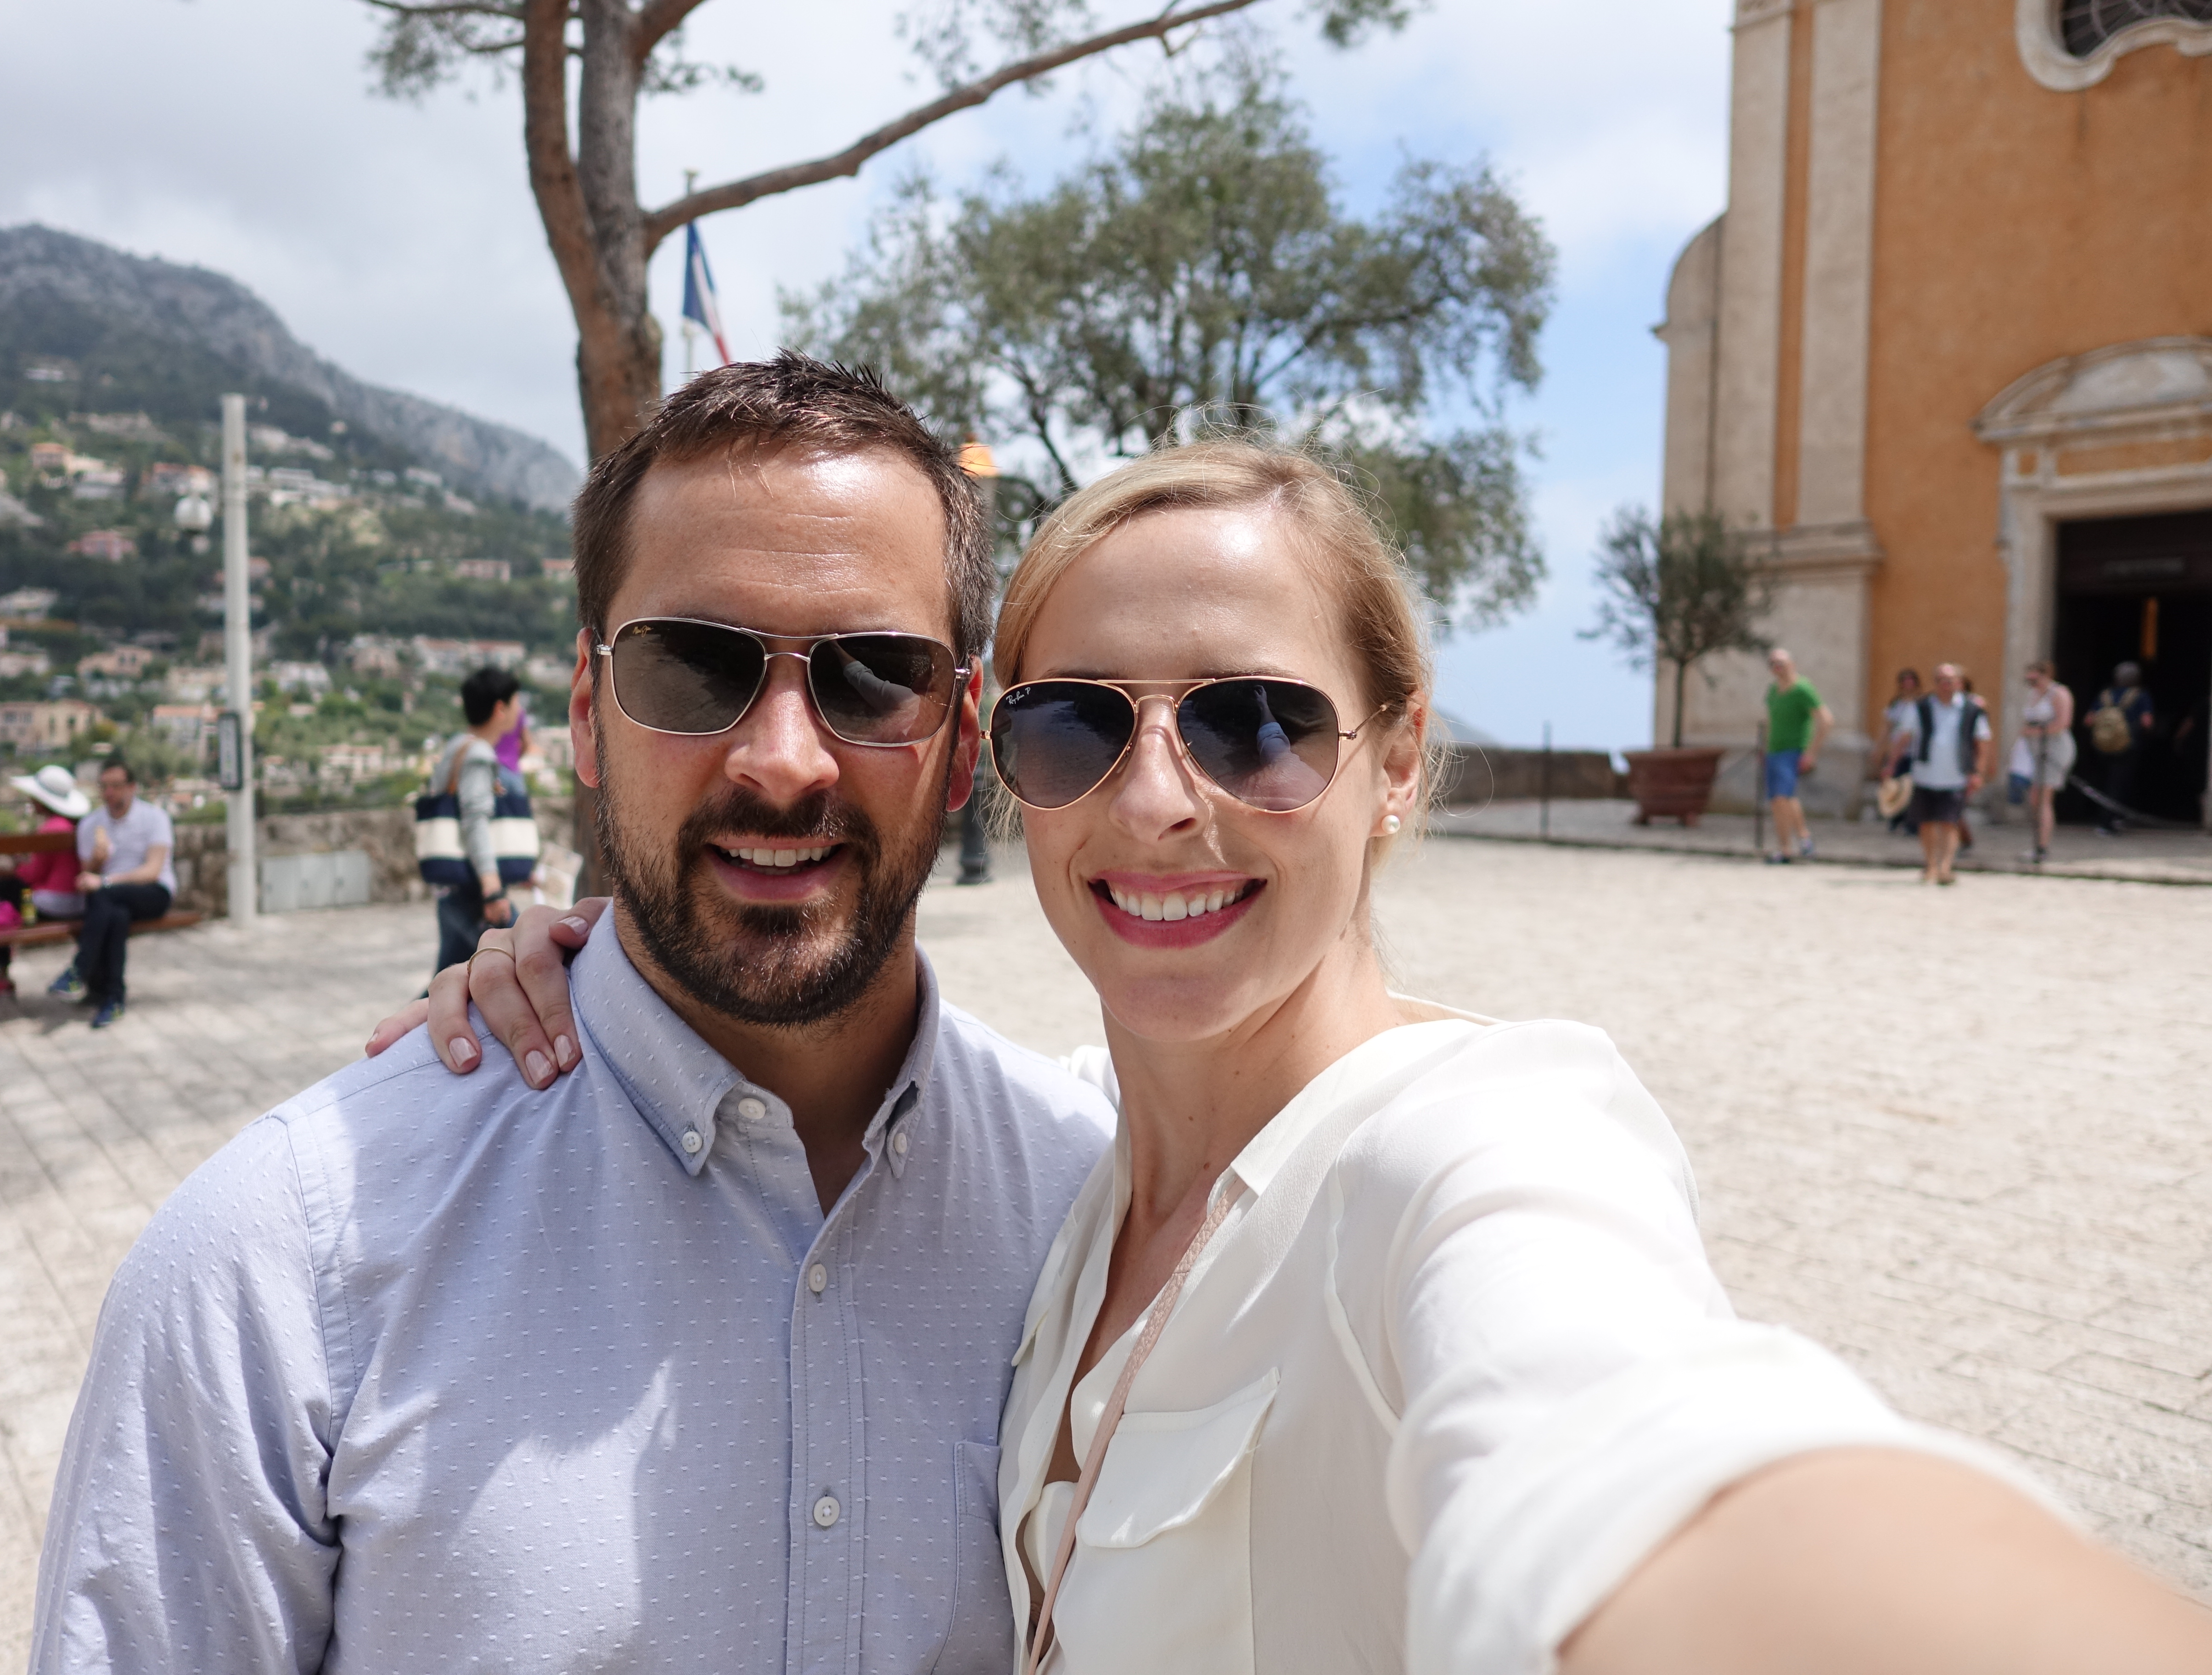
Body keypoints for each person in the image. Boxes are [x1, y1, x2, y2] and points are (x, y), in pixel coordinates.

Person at [431, 438, 2212, 1674]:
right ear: (1006, 765)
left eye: (1256, 721)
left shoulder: (1474, 1150)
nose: (1156, 801)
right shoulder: (1069, 1168)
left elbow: (1628, 1448)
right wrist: (601, 973)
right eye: (1076, 726)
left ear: (1401, 757)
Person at [29, 357, 1114, 1672]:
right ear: (587, 716)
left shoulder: (1094, 1206)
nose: (781, 759)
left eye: (872, 676)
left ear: (959, 736)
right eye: (696, 668)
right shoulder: (279, 1268)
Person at [50, 759, 172, 1030]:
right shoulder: (92, 825)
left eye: (116, 787)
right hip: (111, 899)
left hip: (152, 893)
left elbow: (153, 871)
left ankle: (79, 971)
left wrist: (106, 880)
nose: (109, 793)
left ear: (132, 788)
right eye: (104, 787)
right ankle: (113, 999)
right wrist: (96, 860)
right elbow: (86, 875)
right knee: (115, 914)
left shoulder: (154, 818)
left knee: (105, 896)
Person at [426, 664, 522, 981]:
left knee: (445, 984)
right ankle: (397, 1032)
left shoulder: (457, 747)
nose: (519, 712)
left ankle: (399, 1031)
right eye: (516, 703)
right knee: (528, 956)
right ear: (500, 709)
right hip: (473, 891)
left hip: (451, 888)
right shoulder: (479, 755)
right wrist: (493, 891)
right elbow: (475, 821)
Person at [0, 765, 91, 999]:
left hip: (53, 905)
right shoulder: (72, 826)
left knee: (4, 893)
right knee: (9, 888)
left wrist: (7, 865)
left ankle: (2, 972)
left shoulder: (49, 830)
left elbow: (31, 877)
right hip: (79, 902)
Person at [1891, 663, 1993, 886]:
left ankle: (1946, 867)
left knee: (1949, 822)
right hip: (1925, 773)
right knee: (1926, 823)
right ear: (1935, 683)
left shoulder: (1972, 709)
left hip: (1956, 774)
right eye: (1941, 680)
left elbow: (1983, 742)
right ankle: (1930, 865)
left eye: (1950, 680)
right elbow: (1904, 737)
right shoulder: (1920, 707)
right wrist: (1891, 765)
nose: (1946, 685)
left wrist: (1979, 772)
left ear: (1959, 682)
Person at [1760, 646, 1831, 863]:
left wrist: (1811, 754)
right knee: (1777, 801)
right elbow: (1771, 722)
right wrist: (1764, 747)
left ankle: (1802, 837)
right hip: (1773, 751)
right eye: (1773, 663)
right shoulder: (1773, 691)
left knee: (1784, 796)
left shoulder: (1803, 689)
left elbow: (1826, 720)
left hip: (1793, 751)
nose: (1777, 667)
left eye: (1781, 662)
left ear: (1792, 664)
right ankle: (1786, 848)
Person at [2015, 659, 2075, 863]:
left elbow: (2062, 723)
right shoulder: (2033, 694)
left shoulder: (2059, 694)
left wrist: (2033, 732)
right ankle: (2038, 844)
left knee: (2043, 798)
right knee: (2035, 798)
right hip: (2035, 750)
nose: (2031, 680)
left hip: (2054, 750)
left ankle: (2042, 847)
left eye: (2035, 676)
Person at [2084, 659, 2155, 833]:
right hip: (2128, 747)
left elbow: (2088, 720)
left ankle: (2103, 818)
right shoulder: (2141, 695)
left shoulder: (2105, 696)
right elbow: (2147, 722)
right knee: (2119, 784)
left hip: (2103, 748)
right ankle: (2110, 822)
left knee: (2105, 782)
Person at [1874, 666, 1923, 833]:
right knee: (1895, 786)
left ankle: (1911, 821)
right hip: (1897, 750)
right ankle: (1895, 817)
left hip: (1914, 752)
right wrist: (1880, 749)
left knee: (1911, 789)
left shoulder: (1921, 704)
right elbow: (1887, 729)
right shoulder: (1896, 705)